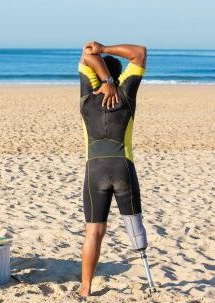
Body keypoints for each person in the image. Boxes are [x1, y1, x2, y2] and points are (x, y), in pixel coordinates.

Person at [78, 41, 149, 297]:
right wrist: (106, 48)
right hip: (123, 169)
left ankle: (85, 289)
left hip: (93, 172)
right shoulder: (126, 95)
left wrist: (102, 76)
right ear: (121, 74)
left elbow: (86, 54)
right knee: (134, 224)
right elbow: (139, 52)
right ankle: (149, 279)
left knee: (94, 232)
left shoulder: (87, 96)